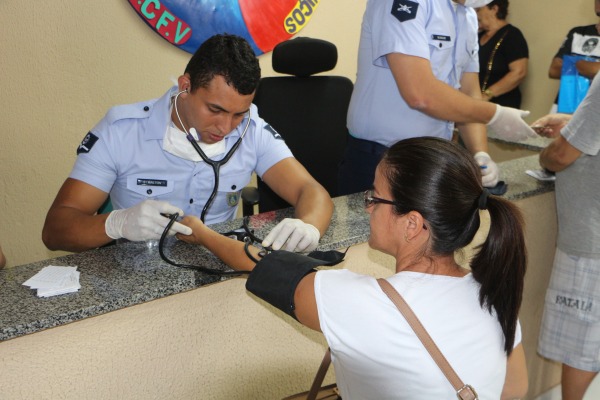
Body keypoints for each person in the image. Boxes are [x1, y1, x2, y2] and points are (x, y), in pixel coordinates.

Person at [178, 137, 529, 399]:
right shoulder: (493, 292)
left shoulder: (361, 304)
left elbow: (261, 266)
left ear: (411, 224)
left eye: (375, 198)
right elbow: (515, 388)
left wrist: (205, 235)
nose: (367, 208)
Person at [42, 34, 333, 254]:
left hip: (217, 262)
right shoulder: (121, 131)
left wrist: (308, 225)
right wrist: (116, 223)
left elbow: (311, 191)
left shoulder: (252, 130)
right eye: (215, 110)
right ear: (185, 87)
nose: (225, 127)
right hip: (137, 273)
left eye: (238, 113)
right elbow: (55, 230)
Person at [338, 0, 537, 196]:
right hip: (382, 157)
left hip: (433, 156)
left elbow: (469, 93)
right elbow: (419, 93)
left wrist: (480, 154)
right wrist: (495, 114)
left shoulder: (467, 16)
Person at [532, 74, 600, 400]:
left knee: (581, 345)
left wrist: (545, 157)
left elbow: (560, 156)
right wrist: (574, 122)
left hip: (592, 238)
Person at [548, 0, 600, 111]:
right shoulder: (578, 32)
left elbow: (597, 71)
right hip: (566, 107)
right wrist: (586, 66)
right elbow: (554, 70)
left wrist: (572, 63)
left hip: (595, 112)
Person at [476, 0, 529, 108]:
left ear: (494, 9)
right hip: (475, 104)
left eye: (478, 9)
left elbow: (519, 72)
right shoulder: (477, 37)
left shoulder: (512, 35)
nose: (475, 14)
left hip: (501, 106)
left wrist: (486, 95)